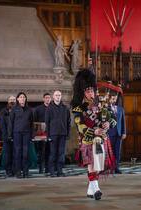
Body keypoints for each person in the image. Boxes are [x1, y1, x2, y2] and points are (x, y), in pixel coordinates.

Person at [71, 68, 116, 200]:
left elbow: (112, 118)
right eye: (87, 90)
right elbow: (79, 124)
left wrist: (108, 124)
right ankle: (96, 188)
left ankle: (90, 190)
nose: (91, 92)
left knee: (98, 165)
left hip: (101, 138)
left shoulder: (101, 103)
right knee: (91, 163)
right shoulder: (78, 106)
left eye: (92, 90)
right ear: (83, 92)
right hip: (87, 138)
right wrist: (93, 131)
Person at [45, 90, 71, 177]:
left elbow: (68, 122)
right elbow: (47, 123)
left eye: (59, 95)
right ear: (53, 97)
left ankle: (60, 171)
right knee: (53, 153)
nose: (58, 97)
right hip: (53, 134)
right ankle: (52, 171)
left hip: (63, 134)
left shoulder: (65, 108)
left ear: (61, 96)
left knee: (61, 153)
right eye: (56, 95)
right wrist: (48, 135)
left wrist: (68, 133)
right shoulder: (49, 108)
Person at [9, 92, 34, 178]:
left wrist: (32, 135)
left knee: (25, 154)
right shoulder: (14, 109)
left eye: (24, 97)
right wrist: (10, 135)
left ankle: (26, 172)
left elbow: (31, 123)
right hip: (17, 134)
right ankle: (18, 172)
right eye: (21, 97)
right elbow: (10, 123)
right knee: (17, 153)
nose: (22, 98)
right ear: (18, 99)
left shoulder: (29, 110)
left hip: (26, 134)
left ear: (25, 99)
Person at [107, 91, 126, 174]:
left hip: (119, 133)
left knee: (117, 151)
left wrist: (124, 132)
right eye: (112, 97)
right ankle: (110, 167)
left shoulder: (120, 109)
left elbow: (123, 122)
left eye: (115, 98)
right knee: (109, 151)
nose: (114, 99)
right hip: (109, 133)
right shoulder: (106, 108)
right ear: (109, 98)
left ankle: (116, 167)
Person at [33, 93, 51, 174]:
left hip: (51, 133)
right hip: (41, 133)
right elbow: (35, 121)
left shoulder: (53, 108)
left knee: (49, 151)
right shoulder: (38, 109)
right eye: (46, 98)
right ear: (43, 99)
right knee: (41, 152)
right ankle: (41, 169)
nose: (48, 99)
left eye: (49, 98)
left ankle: (48, 169)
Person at [0, 95, 16, 177]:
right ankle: (8, 170)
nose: (12, 101)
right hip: (6, 136)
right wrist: (4, 135)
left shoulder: (18, 110)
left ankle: (14, 169)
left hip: (16, 136)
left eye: (13, 100)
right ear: (8, 101)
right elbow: (1, 125)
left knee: (15, 154)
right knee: (7, 154)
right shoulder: (3, 111)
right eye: (10, 100)